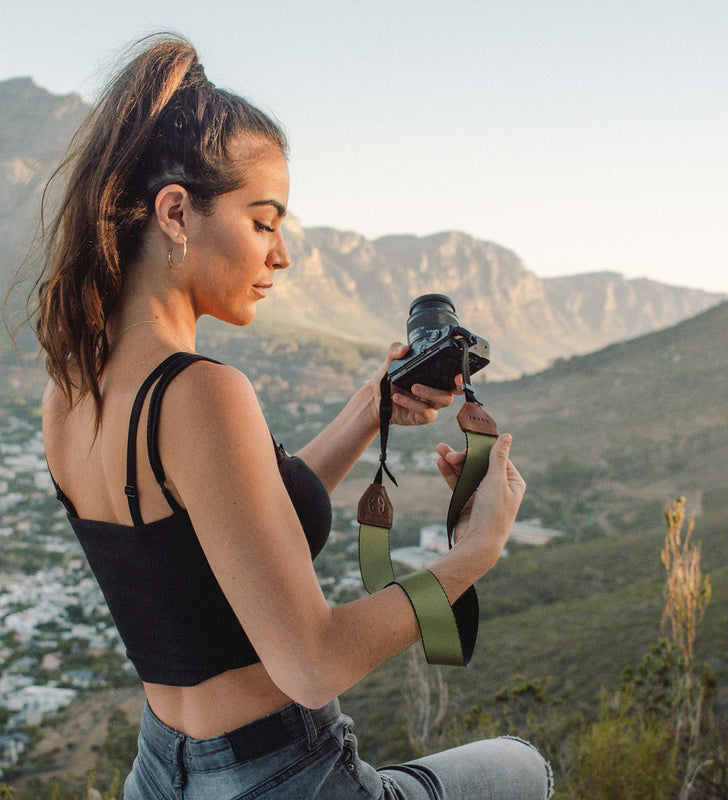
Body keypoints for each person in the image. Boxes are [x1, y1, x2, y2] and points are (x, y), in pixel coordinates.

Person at [28, 33, 553, 800]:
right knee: (523, 768)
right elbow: (314, 662)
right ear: (176, 213)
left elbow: (233, 520)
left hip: (159, 773)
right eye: (264, 222)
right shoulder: (202, 392)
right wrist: (478, 549)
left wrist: (369, 408)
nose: (281, 256)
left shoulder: (73, 387)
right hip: (281, 775)